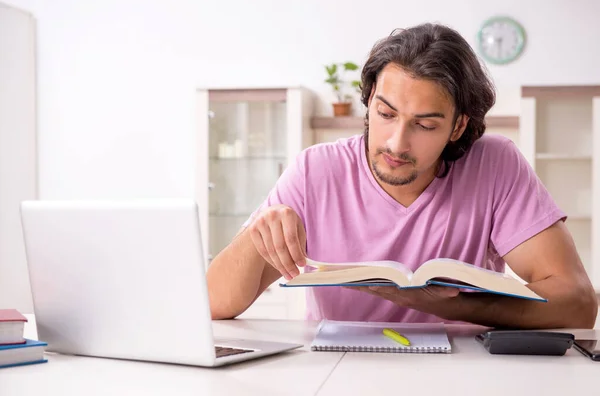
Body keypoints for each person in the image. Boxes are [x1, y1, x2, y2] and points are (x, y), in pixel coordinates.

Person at [206, 23, 598, 329]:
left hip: (460, 373)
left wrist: (459, 306)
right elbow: (211, 302)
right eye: (386, 113)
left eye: (425, 125)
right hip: (339, 370)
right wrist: (260, 231)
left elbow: (578, 304)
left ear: (458, 126)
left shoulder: (495, 165)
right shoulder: (315, 170)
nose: (396, 143)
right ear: (370, 98)